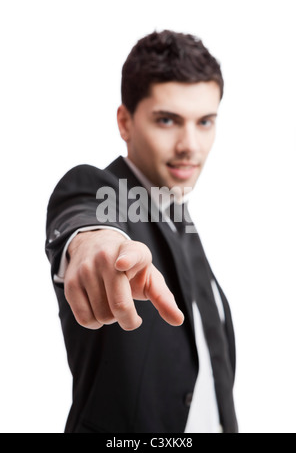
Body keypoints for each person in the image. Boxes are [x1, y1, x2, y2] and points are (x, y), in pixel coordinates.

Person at [45, 30, 238, 434]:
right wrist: (93, 243)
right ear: (125, 122)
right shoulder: (102, 190)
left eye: (205, 122)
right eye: (167, 120)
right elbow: (85, 216)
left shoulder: (179, 216)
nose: (190, 145)